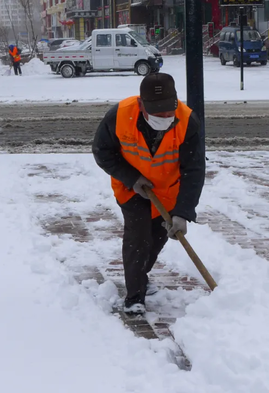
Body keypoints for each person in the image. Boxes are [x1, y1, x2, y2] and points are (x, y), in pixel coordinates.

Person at [92, 73, 205, 314]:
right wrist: (132, 179)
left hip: (167, 191)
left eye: (168, 111)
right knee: (138, 238)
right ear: (141, 104)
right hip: (132, 188)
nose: (165, 117)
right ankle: (135, 297)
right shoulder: (119, 116)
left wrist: (183, 213)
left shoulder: (187, 121)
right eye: (158, 112)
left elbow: (193, 170)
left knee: (157, 239)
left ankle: (141, 276)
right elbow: (102, 151)